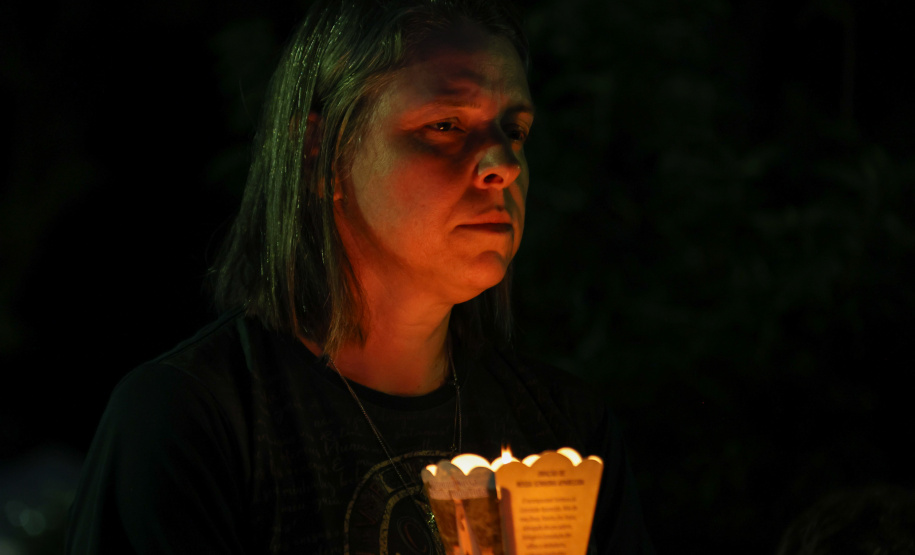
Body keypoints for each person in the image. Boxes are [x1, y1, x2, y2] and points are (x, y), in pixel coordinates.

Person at [65, 0, 655, 553]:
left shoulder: (564, 434)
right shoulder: (194, 418)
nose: (503, 163)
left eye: (515, 130)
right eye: (446, 125)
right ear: (320, 152)